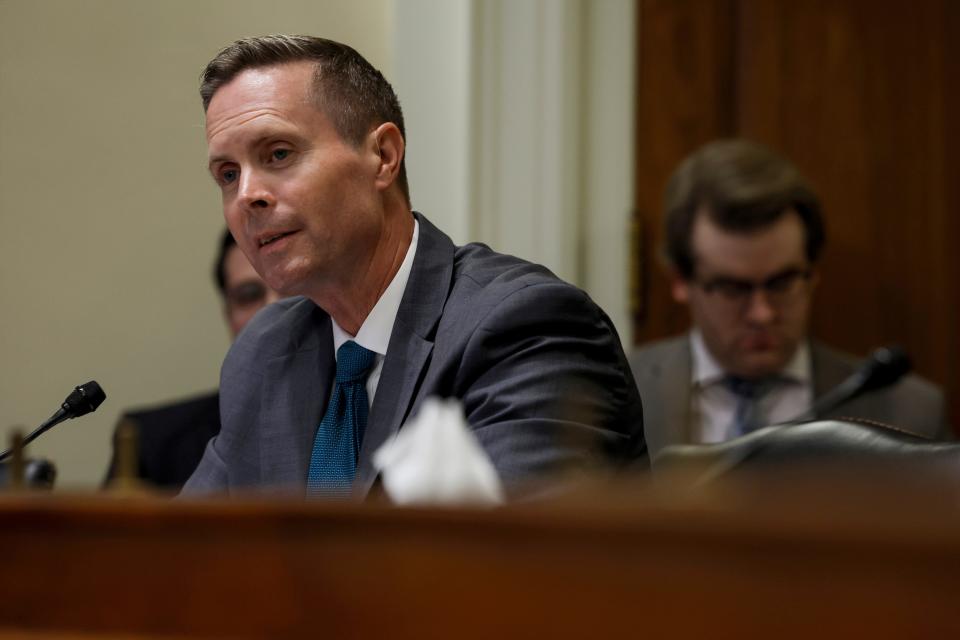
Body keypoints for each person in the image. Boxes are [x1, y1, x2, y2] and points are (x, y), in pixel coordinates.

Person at [182, 35, 645, 498]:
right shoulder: (264, 351)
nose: (247, 196)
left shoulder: (524, 327)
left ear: (383, 157)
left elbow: (512, 557)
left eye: (279, 154)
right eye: (228, 174)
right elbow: (185, 556)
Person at [630, 139, 949, 459]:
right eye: (732, 288)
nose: (762, 314)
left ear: (813, 273)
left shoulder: (910, 410)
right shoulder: (617, 394)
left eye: (782, 282)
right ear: (680, 282)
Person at [105, 229, 282, 489]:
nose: (273, 309)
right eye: (249, 296)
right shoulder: (153, 441)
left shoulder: (354, 415)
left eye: (291, 290)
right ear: (228, 316)